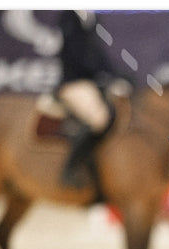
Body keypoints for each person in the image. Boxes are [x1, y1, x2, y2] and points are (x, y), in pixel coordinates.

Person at [55, 10, 126, 188]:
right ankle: (70, 168)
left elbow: (99, 54)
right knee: (99, 120)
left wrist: (117, 76)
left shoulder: (92, 16)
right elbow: (74, 53)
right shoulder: (69, 16)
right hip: (74, 82)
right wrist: (101, 77)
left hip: (92, 83)